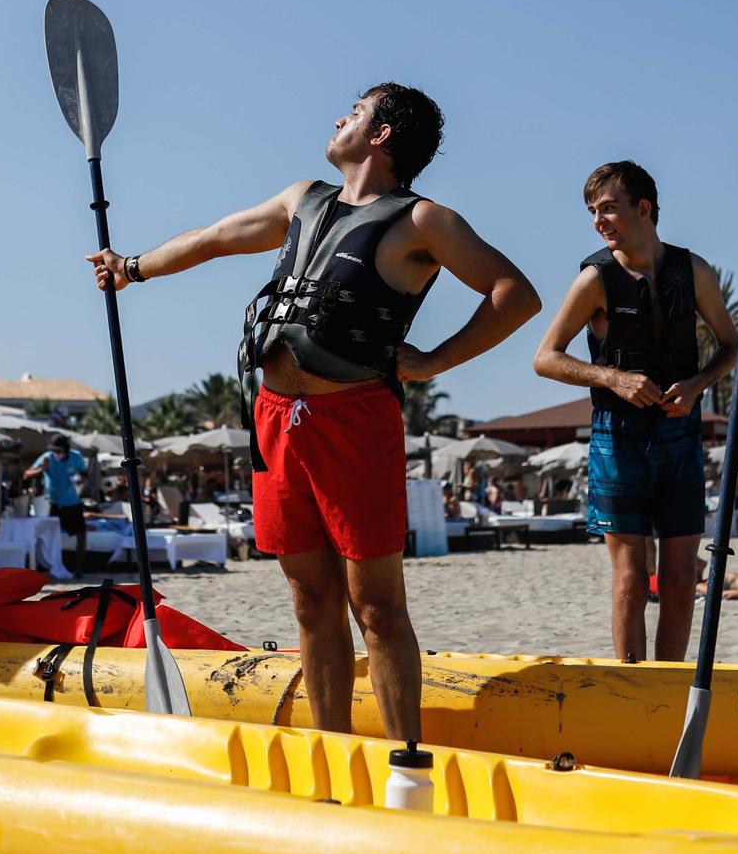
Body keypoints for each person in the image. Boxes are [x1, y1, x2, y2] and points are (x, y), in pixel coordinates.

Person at [89, 83, 540, 741]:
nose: (339, 117)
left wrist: (433, 360)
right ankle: (330, 751)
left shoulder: (423, 222)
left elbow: (515, 293)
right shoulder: (304, 198)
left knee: (378, 608)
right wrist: (131, 266)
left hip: (355, 420)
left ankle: (404, 760)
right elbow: (217, 237)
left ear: (382, 133)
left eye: (355, 111)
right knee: (309, 600)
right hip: (275, 419)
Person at [531, 160, 737, 662]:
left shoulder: (692, 271)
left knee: (682, 575)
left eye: (608, 208)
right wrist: (612, 378)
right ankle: (631, 683)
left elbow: (733, 343)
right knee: (629, 576)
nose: (598, 220)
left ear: (643, 209)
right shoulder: (595, 279)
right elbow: (545, 357)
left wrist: (698, 383)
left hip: (680, 434)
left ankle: (668, 682)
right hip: (616, 437)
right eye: (592, 211)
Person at [24, 434, 89, 569]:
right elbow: (26, 474)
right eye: (54, 450)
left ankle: (79, 569)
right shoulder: (47, 457)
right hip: (52, 503)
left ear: (66, 449)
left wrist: (81, 479)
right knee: (48, 536)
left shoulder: (76, 456)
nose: (56, 453)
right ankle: (48, 566)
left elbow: (84, 473)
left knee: (81, 535)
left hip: (72, 502)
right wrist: (41, 469)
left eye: (58, 450)